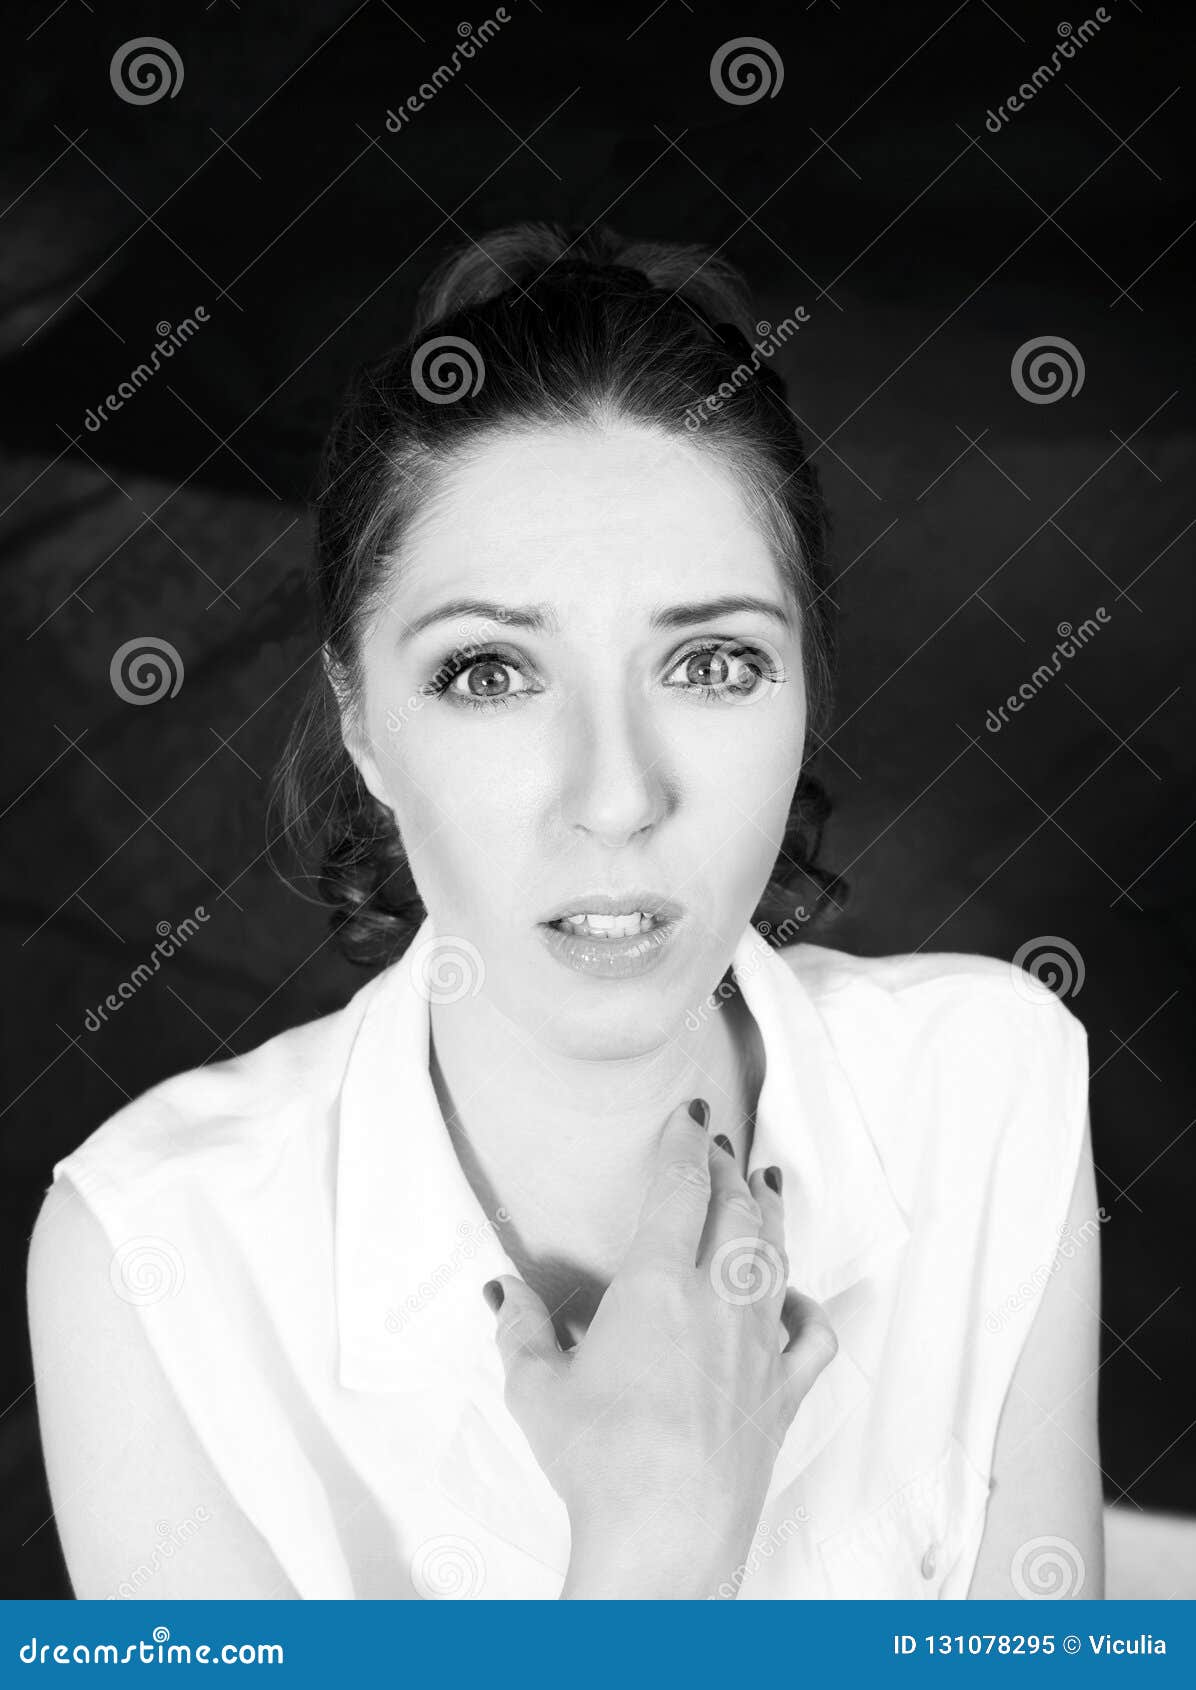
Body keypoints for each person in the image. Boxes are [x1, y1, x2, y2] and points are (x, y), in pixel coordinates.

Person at [27, 220, 1103, 1601]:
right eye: (489, 672)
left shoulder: (993, 1086)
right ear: (361, 722)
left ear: (803, 693)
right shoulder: (149, 1258)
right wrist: (656, 1551)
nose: (615, 797)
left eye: (712, 660)